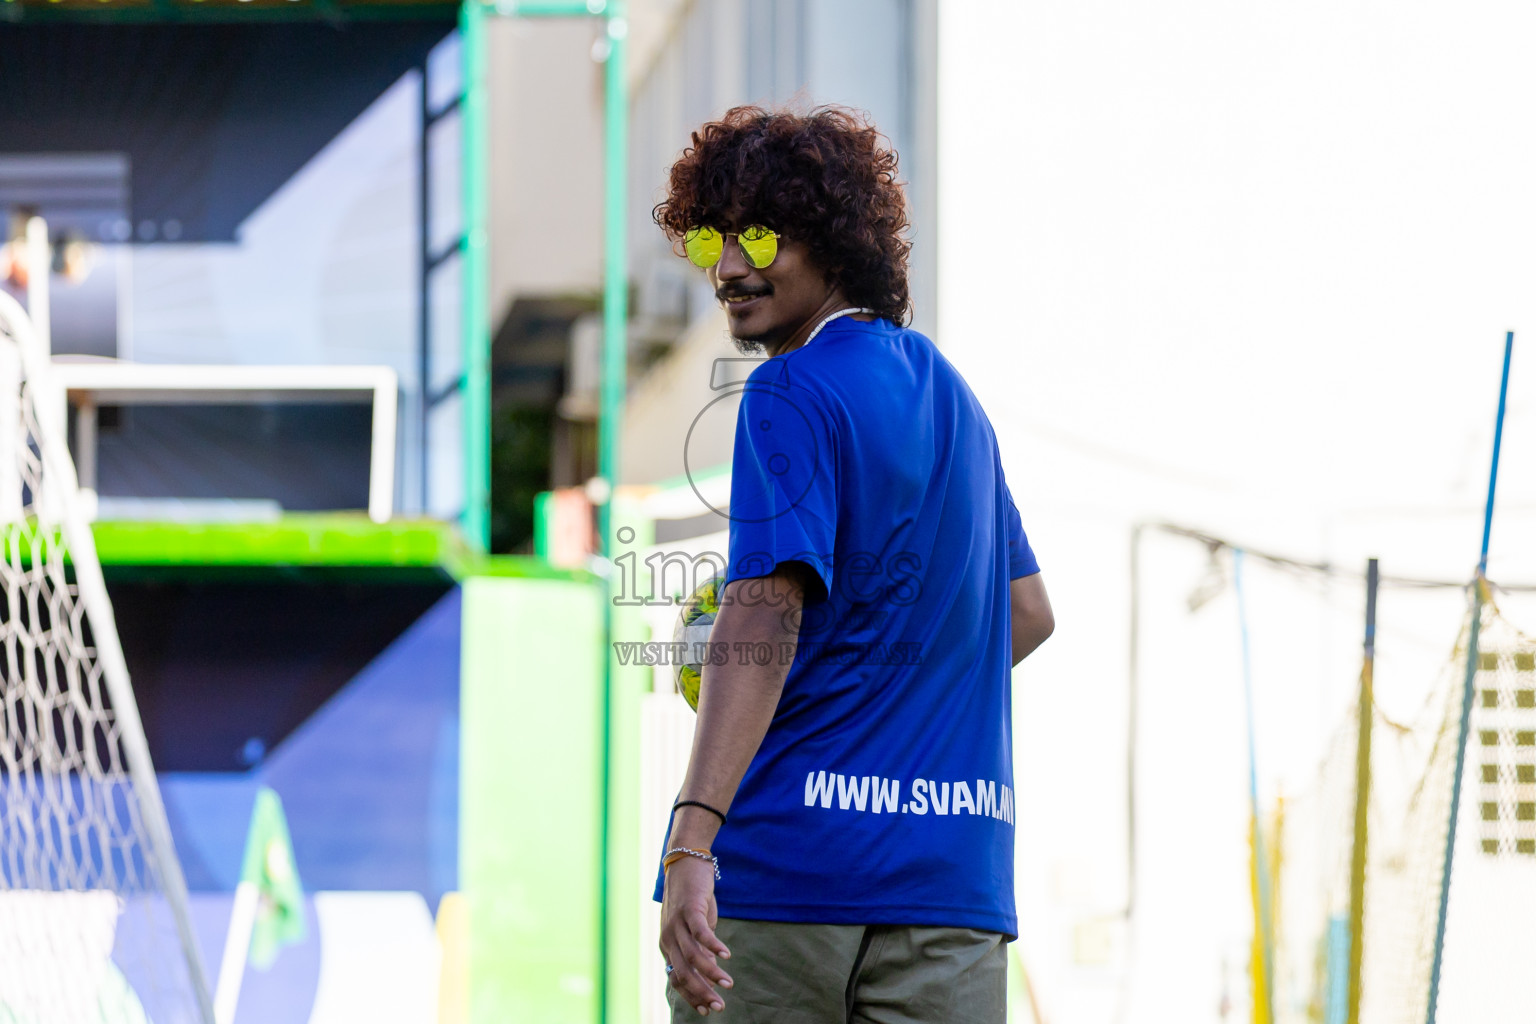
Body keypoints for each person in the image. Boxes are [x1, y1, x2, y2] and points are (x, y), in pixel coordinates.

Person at [652, 105, 1055, 1023]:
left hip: (791, 877)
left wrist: (691, 839)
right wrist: (897, 709)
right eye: (711, 240)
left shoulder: (786, 390)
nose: (727, 268)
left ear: (833, 239)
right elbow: (1027, 614)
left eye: (758, 235)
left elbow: (762, 615)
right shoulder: (957, 399)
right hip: (953, 884)